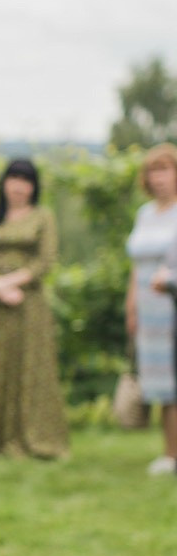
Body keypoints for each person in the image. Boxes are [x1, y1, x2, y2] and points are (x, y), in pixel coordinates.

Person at [0, 157, 68, 459]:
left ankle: (26, 438)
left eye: (25, 180)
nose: (18, 187)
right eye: (13, 179)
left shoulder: (43, 217)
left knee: (26, 368)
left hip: (26, 304)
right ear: (4, 183)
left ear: (33, 186)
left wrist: (11, 283)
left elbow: (45, 260)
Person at [125, 143, 177, 475]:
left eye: (165, 170)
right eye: (152, 171)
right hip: (148, 309)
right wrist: (131, 304)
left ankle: (173, 454)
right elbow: (136, 266)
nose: (158, 178)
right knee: (160, 383)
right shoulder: (144, 214)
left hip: (172, 305)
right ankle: (170, 451)